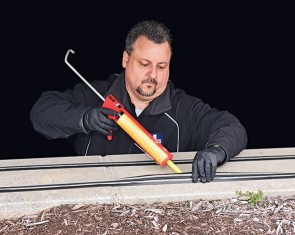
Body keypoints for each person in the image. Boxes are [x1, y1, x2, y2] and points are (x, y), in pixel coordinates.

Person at [30, 20, 247, 183]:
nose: (153, 74)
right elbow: (41, 112)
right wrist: (85, 118)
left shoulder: (184, 109)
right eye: (144, 64)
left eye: (161, 66)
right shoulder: (94, 94)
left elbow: (232, 127)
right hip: (93, 203)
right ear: (126, 59)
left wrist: (216, 151)